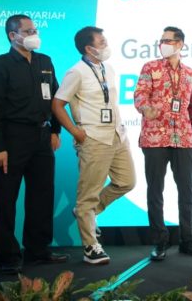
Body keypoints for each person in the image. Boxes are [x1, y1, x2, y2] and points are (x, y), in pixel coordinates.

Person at [0, 14, 68, 274]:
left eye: (35, 30)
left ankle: (37, 250)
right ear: (13, 36)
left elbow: (55, 97)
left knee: (42, 195)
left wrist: (55, 130)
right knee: (7, 199)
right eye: (28, 31)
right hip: (12, 138)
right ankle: (7, 256)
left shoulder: (44, 61)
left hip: (42, 136)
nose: (34, 35)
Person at [52, 26, 136, 265]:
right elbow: (57, 104)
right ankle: (91, 247)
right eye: (102, 41)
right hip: (94, 139)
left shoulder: (108, 68)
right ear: (89, 48)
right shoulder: (76, 72)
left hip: (117, 136)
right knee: (87, 195)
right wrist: (75, 131)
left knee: (127, 182)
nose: (106, 44)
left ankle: (87, 213)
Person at [134, 26, 192, 261]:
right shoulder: (150, 67)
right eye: (161, 40)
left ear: (180, 44)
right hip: (155, 137)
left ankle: (188, 240)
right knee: (155, 190)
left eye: (167, 40)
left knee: (187, 189)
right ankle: (159, 241)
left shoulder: (190, 73)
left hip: (183, 138)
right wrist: (146, 108)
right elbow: (140, 95)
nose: (162, 44)